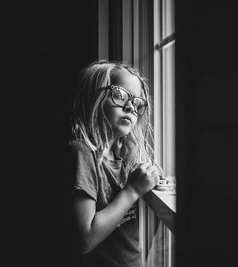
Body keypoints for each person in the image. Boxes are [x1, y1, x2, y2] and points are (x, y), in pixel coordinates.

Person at [63, 60, 162, 267]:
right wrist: (132, 190)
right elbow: (86, 239)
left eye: (137, 103)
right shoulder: (82, 152)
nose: (130, 107)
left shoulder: (121, 159)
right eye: (119, 95)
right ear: (94, 99)